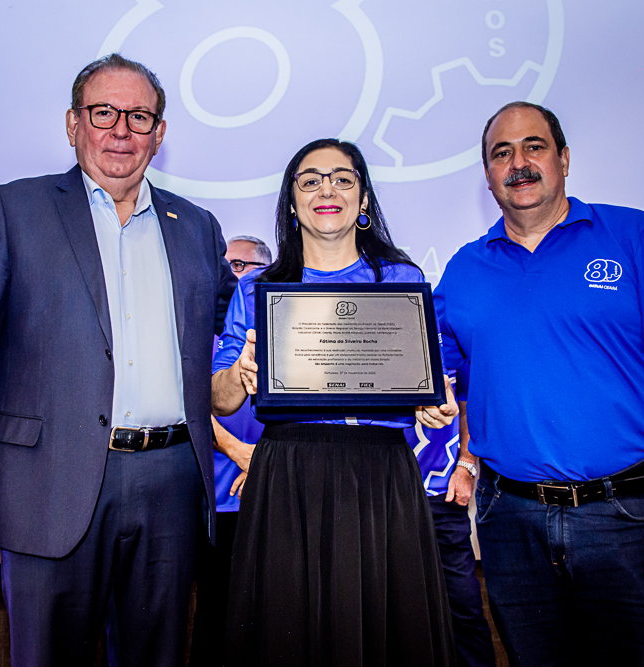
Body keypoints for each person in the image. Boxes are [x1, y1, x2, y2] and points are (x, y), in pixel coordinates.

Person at [0, 54, 236, 666]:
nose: (122, 129)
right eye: (104, 113)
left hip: (171, 483)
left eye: (140, 115)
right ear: (73, 124)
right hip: (49, 483)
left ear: (161, 131)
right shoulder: (14, 211)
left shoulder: (197, 226)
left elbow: (237, 322)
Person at [433, 102, 644, 665]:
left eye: (534, 146)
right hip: (509, 521)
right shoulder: (463, 268)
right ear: (488, 176)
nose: (519, 162)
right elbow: (446, 375)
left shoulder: (634, 235)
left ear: (563, 158)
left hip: (624, 517)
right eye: (501, 153)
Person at [212, 138, 458, 666]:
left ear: (363, 198)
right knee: (285, 632)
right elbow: (220, 398)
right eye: (311, 180)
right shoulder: (257, 288)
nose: (328, 189)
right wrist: (243, 373)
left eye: (343, 179)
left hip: (382, 473)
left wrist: (436, 404)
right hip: (288, 474)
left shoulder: (403, 280)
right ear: (292, 200)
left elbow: (430, 384)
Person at [189, 235, 271, 667]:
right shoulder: (197, 335)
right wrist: (239, 452)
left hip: (271, 493)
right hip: (212, 501)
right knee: (215, 615)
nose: (234, 278)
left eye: (244, 267)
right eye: (227, 268)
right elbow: (183, 408)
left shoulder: (286, 324)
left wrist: (267, 462)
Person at [405, 363, 495, 667]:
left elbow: (471, 401)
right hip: (375, 493)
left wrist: (467, 466)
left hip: (441, 494)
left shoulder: (450, 316)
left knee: (463, 611)